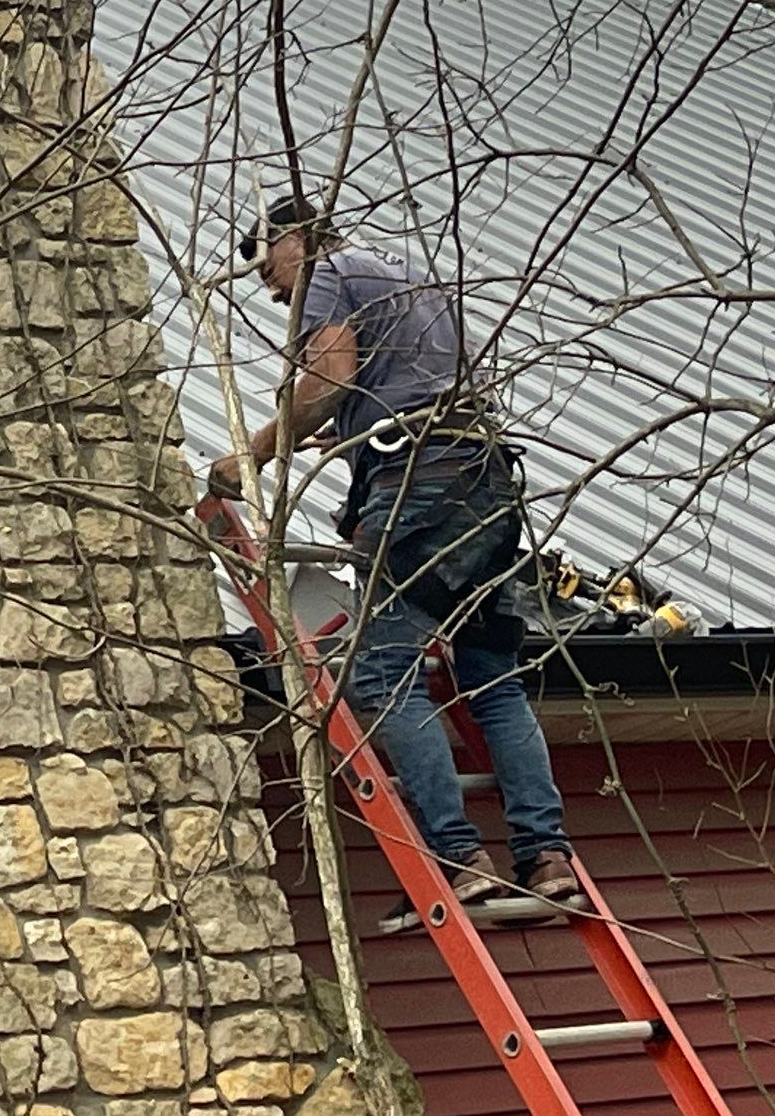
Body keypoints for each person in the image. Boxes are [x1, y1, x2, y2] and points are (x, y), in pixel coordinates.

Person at [209, 197, 584, 917]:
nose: (272, 290)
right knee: (493, 681)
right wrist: (348, 429)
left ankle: (460, 856)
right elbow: (396, 386)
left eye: (266, 267)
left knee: (384, 673)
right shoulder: (409, 278)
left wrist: (252, 457)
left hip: (418, 486)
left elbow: (329, 382)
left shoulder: (328, 272)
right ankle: (546, 854)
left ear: (292, 239)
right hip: (486, 483)